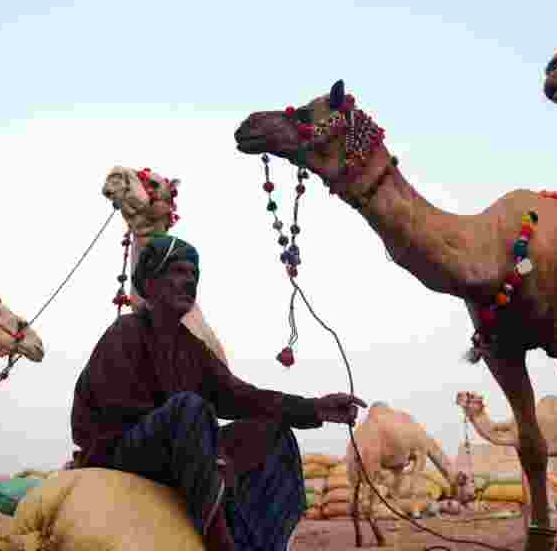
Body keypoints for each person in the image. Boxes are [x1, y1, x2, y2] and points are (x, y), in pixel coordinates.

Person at [71, 234, 366, 551]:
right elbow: (121, 418)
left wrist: (314, 408)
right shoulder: (124, 334)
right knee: (189, 409)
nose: (189, 282)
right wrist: (209, 453)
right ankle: (220, 545)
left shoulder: (190, 346)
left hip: (182, 446)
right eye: (178, 272)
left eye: (193, 275)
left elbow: (240, 396)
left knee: (271, 429)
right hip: (119, 454)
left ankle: (260, 543)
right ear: (152, 281)